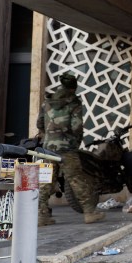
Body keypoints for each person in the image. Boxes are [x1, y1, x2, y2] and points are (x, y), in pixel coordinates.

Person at [36, 71, 105, 225]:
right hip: (66, 148)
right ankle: (89, 212)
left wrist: (47, 136)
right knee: (76, 179)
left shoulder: (47, 102)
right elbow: (77, 127)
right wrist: (75, 143)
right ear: (73, 88)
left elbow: (39, 124)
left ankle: (42, 216)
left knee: (45, 181)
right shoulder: (74, 103)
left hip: (47, 148)